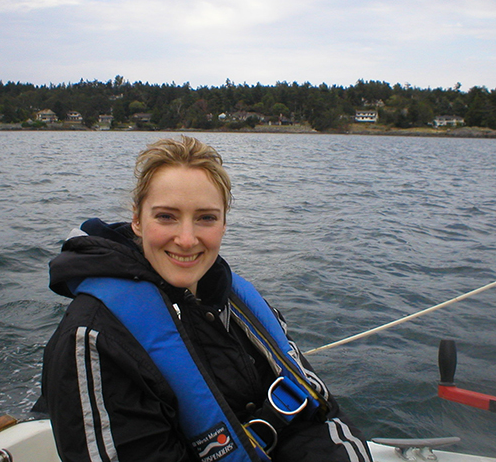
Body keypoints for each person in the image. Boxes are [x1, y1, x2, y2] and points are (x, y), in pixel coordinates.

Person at [35, 135, 371, 462]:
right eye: (166, 216)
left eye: (206, 218)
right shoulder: (93, 340)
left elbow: (313, 415)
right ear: (137, 220)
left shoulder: (241, 308)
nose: (186, 239)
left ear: (224, 223)